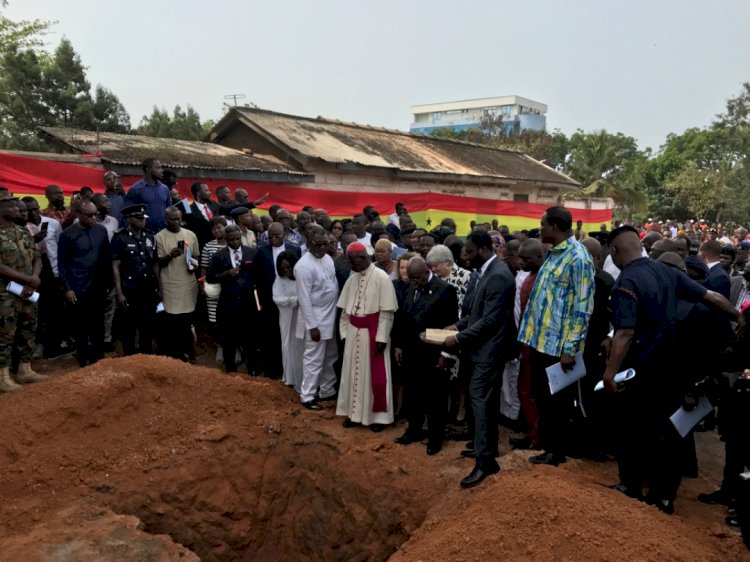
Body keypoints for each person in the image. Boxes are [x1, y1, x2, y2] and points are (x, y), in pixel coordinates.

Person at [602, 225, 744, 514]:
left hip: (641, 370)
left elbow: (625, 333)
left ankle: (631, 484)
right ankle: (663, 496)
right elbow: (709, 297)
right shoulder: (667, 272)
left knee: (633, 430)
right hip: (673, 371)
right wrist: (737, 315)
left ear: (615, 251)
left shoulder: (627, 281)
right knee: (668, 434)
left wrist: (610, 372)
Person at [518, 206, 595, 467]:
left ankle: (556, 452)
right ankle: (547, 446)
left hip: (559, 346)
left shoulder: (578, 258)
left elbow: (582, 308)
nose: (540, 228)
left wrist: (570, 349)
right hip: (540, 341)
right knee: (542, 396)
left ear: (555, 226)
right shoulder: (554, 254)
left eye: (543, 224)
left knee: (557, 402)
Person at [443, 231, 516, 488]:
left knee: (480, 400)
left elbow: (490, 320)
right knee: (484, 401)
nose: (466, 257)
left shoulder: (498, 275)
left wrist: (458, 338)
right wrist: (457, 325)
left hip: (489, 351)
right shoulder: (486, 271)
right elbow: (478, 313)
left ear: (484, 249)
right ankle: (486, 450)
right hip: (481, 348)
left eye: (471, 252)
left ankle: (485, 463)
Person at [393, 256, 458, 454]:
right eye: (411, 278)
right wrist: (399, 346)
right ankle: (413, 430)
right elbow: (403, 319)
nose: (414, 282)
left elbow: (451, 325)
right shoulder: (412, 286)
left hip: (434, 354)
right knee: (413, 394)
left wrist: (446, 354)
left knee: (435, 399)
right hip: (412, 353)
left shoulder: (445, 290)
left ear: (426, 271)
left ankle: (435, 438)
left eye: (417, 278)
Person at [337, 242, 399, 431]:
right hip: (354, 333)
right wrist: (345, 332)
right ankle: (354, 414)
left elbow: (387, 312)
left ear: (363, 258)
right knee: (352, 375)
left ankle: (377, 418)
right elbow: (345, 312)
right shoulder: (352, 278)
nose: (352, 268)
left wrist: (381, 338)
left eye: (354, 263)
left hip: (373, 335)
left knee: (375, 377)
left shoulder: (382, 278)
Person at [58, 200, 111, 367]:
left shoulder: (101, 231)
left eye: (95, 214)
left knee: (98, 322)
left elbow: (106, 258)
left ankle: (98, 355)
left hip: (98, 285)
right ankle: (83, 357)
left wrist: (108, 282)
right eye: (89, 215)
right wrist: (67, 288)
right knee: (81, 324)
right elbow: (61, 264)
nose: (93, 218)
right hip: (77, 286)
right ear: (78, 215)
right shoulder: (67, 234)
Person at [0, 192, 44, 391]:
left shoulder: (23, 231)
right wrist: (27, 280)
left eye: (15, 205)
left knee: (28, 328)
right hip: (5, 293)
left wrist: (33, 279)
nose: (16, 208)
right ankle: (3, 376)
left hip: (27, 291)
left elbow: (37, 257)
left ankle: (24, 370)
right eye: (10, 205)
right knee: (5, 334)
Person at [294, 227, 339, 409]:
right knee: (313, 359)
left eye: (325, 244)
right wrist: (312, 327)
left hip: (331, 315)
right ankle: (308, 396)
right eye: (318, 244)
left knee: (331, 356)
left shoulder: (328, 259)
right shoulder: (303, 266)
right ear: (308, 243)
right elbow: (304, 298)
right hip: (316, 319)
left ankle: (327, 390)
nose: (322, 248)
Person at [207, 225, 259, 374]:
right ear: (226, 239)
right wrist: (227, 274)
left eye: (238, 238)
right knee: (229, 339)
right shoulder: (218, 255)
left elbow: (258, 276)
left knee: (250, 339)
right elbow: (210, 277)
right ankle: (230, 370)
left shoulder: (252, 253)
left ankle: (253, 368)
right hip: (228, 304)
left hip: (248, 303)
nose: (235, 242)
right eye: (231, 239)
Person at [111, 204, 160, 356]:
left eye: (143, 218)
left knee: (148, 325)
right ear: (129, 219)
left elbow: (155, 263)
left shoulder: (150, 236)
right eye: (138, 218)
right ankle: (130, 357)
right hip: (129, 289)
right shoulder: (120, 237)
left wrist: (160, 286)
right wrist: (119, 292)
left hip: (149, 288)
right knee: (129, 327)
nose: (142, 221)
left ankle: (145, 356)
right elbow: (115, 267)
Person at [255, 222, 302, 378]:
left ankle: (291, 369)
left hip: (292, 299)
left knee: (292, 335)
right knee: (272, 335)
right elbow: (258, 278)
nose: (273, 238)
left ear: (284, 234)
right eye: (270, 236)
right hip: (270, 301)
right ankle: (273, 369)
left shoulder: (294, 249)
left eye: (277, 235)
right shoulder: (261, 252)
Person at [155, 206, 200, 362]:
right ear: (165, 220)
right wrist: (170, 255)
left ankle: (189, 350)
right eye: (172, 219)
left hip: (188, 283)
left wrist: (193, 264)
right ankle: (173, 353)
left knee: (186, 319)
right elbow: (158, 262)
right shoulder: (160, 237)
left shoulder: (190, 235)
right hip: (170, 284)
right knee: (172, 320)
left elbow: (196, 257)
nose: (176, 222)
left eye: (178, 219)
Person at [273, 251, 304, 392]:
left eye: (289, 267)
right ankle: (291, 377)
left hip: (303, 318)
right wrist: (294, 301)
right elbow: (277, 298)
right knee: (288, 346)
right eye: (283, 268)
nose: (286, 270)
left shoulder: (302, 277)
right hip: (288, 318)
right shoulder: (279, 280)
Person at [199, 218, 228, 356]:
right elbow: (203, 267)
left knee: (229, 317)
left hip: (229, 287)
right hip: (212, 286)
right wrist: (203, 284)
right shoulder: (208, 246)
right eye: (214, 229)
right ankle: (220, 346)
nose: (217, 230)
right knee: (214, 319)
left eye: (219, 227)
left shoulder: (233, 243)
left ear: (225, 227)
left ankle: (233, 347)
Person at [124, 158, 171, 234]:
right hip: (143, 234)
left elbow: (168, 210)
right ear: (148, 169)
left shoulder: (164, 189)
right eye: (158, 167)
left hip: (163, 234)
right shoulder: (136, 189)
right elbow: (127, 215)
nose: (161, 170)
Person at [425, 244, 472, 313]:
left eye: (435, 265)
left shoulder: (466, 276)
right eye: (431, 266)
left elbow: (468, 305)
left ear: (447, 263)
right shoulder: (433, 278)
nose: (433, 269)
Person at [185, 182, 221, 249]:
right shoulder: (189, 210)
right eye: (206, 190)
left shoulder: (214, 204)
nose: (209, 192)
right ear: (198, 193)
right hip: (201, 245)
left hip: (217, 244)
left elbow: (227, 208)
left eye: (209, 190)